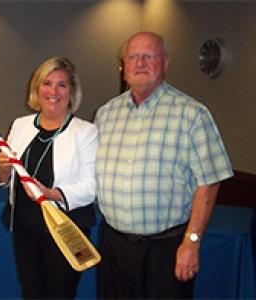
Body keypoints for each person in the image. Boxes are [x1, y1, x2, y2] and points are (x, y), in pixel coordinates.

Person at [95, 31, 233, 299]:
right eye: (133, 57)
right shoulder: (105, 114)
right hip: (114, 246)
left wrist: (191, 243)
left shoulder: (192, 114)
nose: (140, 63)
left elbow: (210, 182)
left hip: (166, 248)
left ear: (166, 63)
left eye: (149, 56)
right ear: (123, 66)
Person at [0, 56, 98, 299]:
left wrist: (51, 194)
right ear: (36, 89)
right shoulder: (20, 124)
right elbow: (2, 178)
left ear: (72, 92)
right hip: (25, 229)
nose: (53, 91)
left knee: (59, 294)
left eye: (62, 85)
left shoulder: (85, 132)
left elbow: (90, 187)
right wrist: (4, 169)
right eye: (47, 83)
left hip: (66, 229)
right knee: (31, 292)